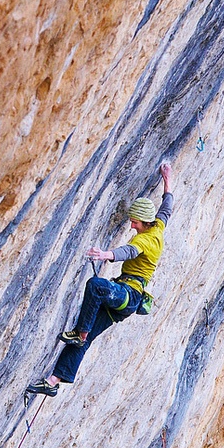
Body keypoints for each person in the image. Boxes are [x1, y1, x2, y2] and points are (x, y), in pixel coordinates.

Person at [26, 163, 174, 397]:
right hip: (123, 300)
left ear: (145, 222)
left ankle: (80, 332)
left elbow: (129, 252)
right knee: (85, 340)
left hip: (129, 295)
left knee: (96, 287)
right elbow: (167, 207)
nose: (131, 224)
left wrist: (106, 255)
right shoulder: (158, 226)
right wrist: (167, 179)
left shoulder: (145, 240)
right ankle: (52, 382)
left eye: (135, 221)